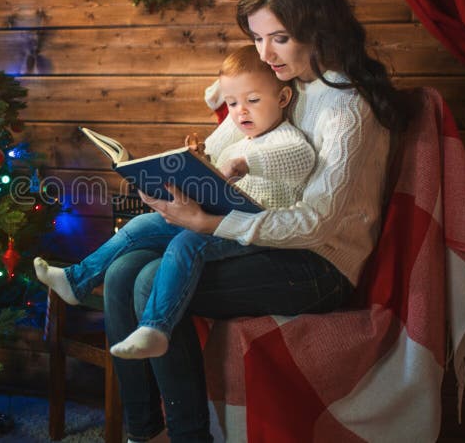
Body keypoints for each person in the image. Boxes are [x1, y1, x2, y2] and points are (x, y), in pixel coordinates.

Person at [101, 0, 422, 443]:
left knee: (147, 280)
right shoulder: (285, 86)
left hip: (317, 266)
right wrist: (176, 182)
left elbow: (315, 224)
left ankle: (188, 437)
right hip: (265, 244)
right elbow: (225, 156)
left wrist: (208, 225)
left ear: (317, 28)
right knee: (121, 270)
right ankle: (143, 432)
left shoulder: (348, 105)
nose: (265, 52)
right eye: (256, 37)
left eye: (279, 37)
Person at [34, 45, 316, 360]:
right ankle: (77, 280)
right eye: (232, 103)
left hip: (251, 230)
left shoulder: (287, 138)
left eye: (252, 101)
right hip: (214, 218)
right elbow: (214, 170)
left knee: (186, 243)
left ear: (282, 99)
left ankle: (156, 328)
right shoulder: (239, 134)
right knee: (140, 224)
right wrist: (197, 162)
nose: (240, 112)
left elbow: (299, 159)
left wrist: (245, 163)